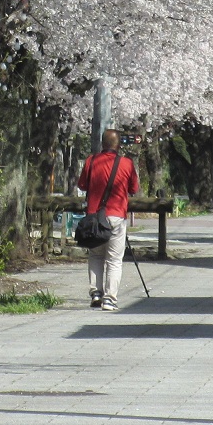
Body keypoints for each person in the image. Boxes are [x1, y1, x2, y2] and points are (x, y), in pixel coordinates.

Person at [78, 129, 139, 311]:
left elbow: (82, 185)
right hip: (116, 215)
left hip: (95, 216)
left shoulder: (91, 161)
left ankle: (96, 293)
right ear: (118, 145)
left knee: (96, 255)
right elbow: (134, 188)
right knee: (114, 259)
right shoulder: (126, 163)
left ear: (102, 144)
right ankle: (109, 299)